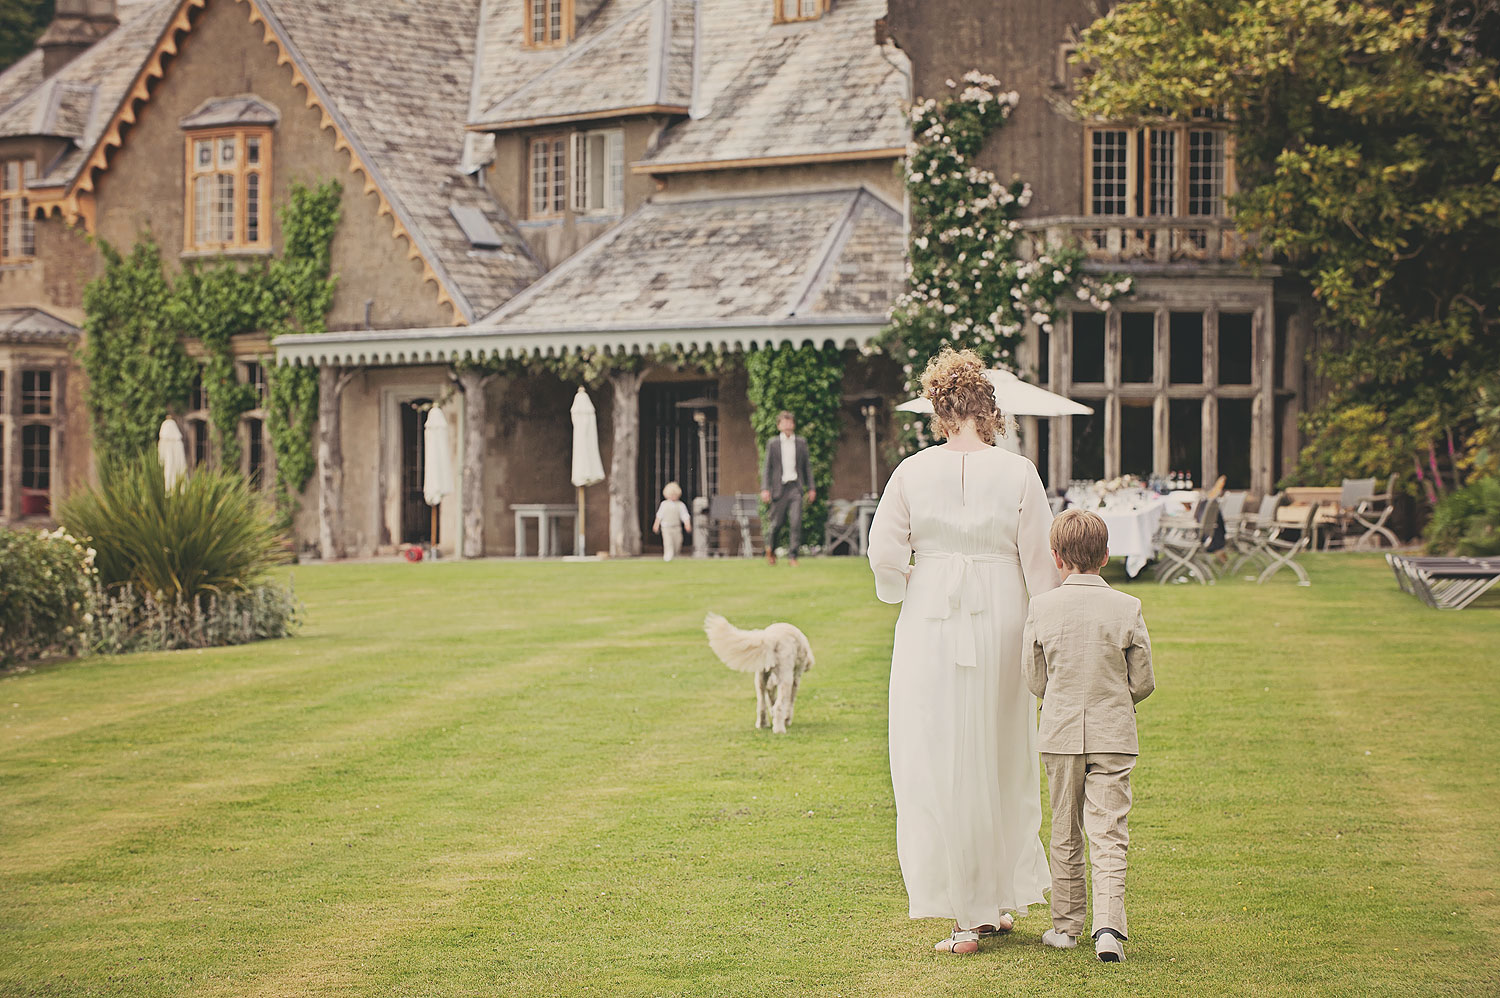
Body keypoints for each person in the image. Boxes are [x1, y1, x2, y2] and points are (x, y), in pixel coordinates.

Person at [867, 348, 1060, 956]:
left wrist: (906, 583)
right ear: (989, 409)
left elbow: (883, 555)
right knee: (1001, 750)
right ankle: (994, 900)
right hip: (1003, 610)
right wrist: (1041, 629)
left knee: (941, 752)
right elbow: (1040, 564)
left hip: (931, 615)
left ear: (939, 408)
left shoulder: (910, 471)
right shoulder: (1020, 472)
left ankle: (968, 911)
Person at [1021, 509, 1155, 963]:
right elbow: (1143, 680)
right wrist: (1116, 700)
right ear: (1106, 555)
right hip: (1113, 731)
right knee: (1109, 830)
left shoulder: (1042, 606)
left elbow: (1034, 677)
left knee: (1065, 826)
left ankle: (1066, 925)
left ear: (1057, 558)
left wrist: (1059, 696)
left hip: (1058, 732)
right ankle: (1109, 928)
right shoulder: (1127, 607)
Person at [760, 410, 814, 566]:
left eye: (790, 422)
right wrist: (765, 489)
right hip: (779, 488)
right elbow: (767, 468)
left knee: (796, 522)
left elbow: (807, 467)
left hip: (795, 487)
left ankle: (793, 556)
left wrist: (811, 488)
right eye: (784, 422)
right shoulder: (773, 443)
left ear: (794, 424)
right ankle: (771, 549)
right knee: (776, 524)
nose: (787, 425)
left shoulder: (801, 443)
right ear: (779, 426)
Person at [652, 481, 692, 562]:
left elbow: (685, 516)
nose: (673, 496)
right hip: (666, 528)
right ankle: (667, 558)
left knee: (677, 543)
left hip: (676, 527)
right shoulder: (664, 504)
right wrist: (656, 525)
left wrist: (687, 524)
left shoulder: (680, 505)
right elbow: (659, 516)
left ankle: (676, 556)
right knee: (668, 543)